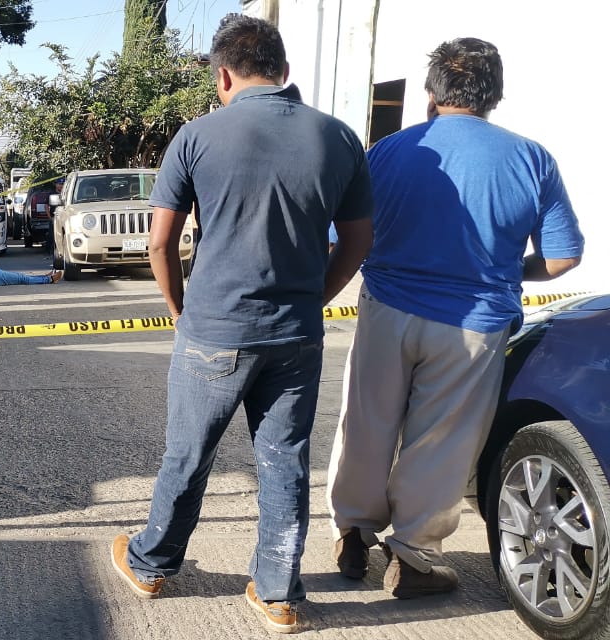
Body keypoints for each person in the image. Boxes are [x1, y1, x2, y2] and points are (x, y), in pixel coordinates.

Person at [109, 14, 373, 634]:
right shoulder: (338, 139)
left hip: (214, 330)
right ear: (284, 71)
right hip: (297, 336)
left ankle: (152, 563)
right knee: (284, 462)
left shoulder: (196, 136)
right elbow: (358, 242)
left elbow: (159, 243)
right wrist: (315, 296)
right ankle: (279, 593)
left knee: (189, 454)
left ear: (223, 74)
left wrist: (180, 309)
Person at [327, 38, 583, 599]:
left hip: (387, 309)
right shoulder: (532, 159)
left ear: (430, 93)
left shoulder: (389, 152)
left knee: (368, 422)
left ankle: (353, 533)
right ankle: (415, 555)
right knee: (441, 439)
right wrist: (511, 270)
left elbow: (341, 236)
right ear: (494, 95)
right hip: (473, 322)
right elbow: (564, 256)